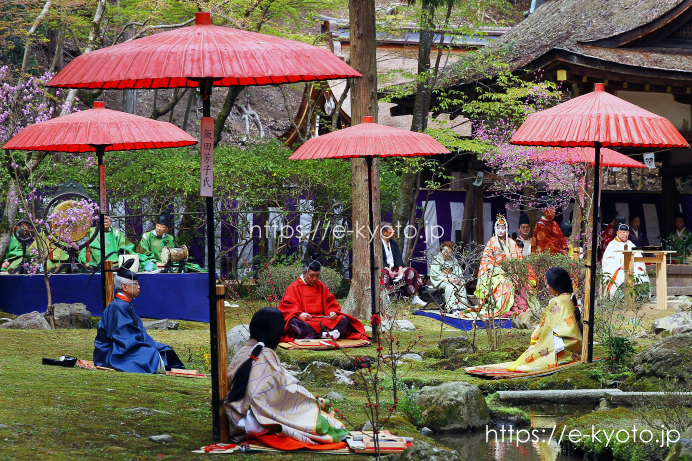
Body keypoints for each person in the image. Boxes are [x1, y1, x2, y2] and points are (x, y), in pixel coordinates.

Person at [224, 308, 349, 445]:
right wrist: (305, 396)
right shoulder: (267, 354)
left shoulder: (243, 351)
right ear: (277, 333)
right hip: (255, 420)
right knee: (318, 415)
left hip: (237, 413)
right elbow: (279, 390)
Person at [93, 259, 185, 373]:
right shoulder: (118, 307)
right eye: (135, 284)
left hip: (126, 345)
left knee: (164, 349)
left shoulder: (123, 304)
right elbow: (122, 335)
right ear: (125, 287)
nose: (139, 287)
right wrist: (144, 343)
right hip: (114, 351)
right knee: (151, 355)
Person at [508, 267, 583, 372]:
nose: (547, 287)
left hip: (565, 346)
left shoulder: (558, 301)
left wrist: (535, 335)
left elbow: (545, 326)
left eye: (548, 284)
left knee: (528, 359)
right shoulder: (569, 297)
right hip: (575, 345)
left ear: (555, 284)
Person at [278, 255, 368, 342]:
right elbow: (288, 306)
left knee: (343, 320)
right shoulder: (294, 287)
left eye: (317, 275)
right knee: (294, 322)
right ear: (304, 273)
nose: (315, 279)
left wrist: (332, 312)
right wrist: (300, 314)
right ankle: (326, 334)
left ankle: (317, 334)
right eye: (312, 275)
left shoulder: (321, 286)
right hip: (306, 321)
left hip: (323, 319)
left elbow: (330, 303)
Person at [471, 214, 526, 318]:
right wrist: (500, 271)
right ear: (495, 228)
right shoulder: (492, 242)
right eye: (498, 228)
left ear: (507, 229)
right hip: (495, 274)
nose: (500, 230)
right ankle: (501, 308)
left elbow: (518, 260)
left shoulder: (512, 242)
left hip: (511, 272)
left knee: (521, 282)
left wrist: (515, 272)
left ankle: (517, 307)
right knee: (505, 283)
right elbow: (486, 261)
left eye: (503, 228)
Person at [380, 222, 425, 306]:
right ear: (384, 232)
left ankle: (415, 297)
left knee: (411, 271)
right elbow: (379, 258)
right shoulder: (378, 244)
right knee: (384, 274)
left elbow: (398, 257)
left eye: (393, 229)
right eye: (391, 229)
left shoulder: (393, 243)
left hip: (394, 269)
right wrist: (386, 268)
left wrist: (400, 268)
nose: (394, 231)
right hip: (385, 269)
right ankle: (385, 298)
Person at [602, 223, 650, 296]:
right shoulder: (612, 245)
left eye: (627, 232)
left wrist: (638, 266)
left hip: (632, 268)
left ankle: (641, 298)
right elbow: (607, 260)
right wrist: (619, 267)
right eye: (623, 232)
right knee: (622, 277)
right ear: (617, 233)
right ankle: (621, 299)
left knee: (642, 275)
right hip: (619, 270)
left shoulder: (630, 244)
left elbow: (638, 257)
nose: (625, 234)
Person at [429, 241, 467, 312]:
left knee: (461, 286)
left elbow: (458, 272)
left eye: (449, 252)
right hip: (441, 281)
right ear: (441, 250)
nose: (446, 254)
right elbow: (435, 275)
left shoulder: (454, 260)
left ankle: (462, 307)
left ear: (452, 252)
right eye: (444, 251)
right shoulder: (436, 259)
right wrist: (449, 279)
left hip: (453, 279)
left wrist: (458, 279)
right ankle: (453, 308)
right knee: (451, 286)